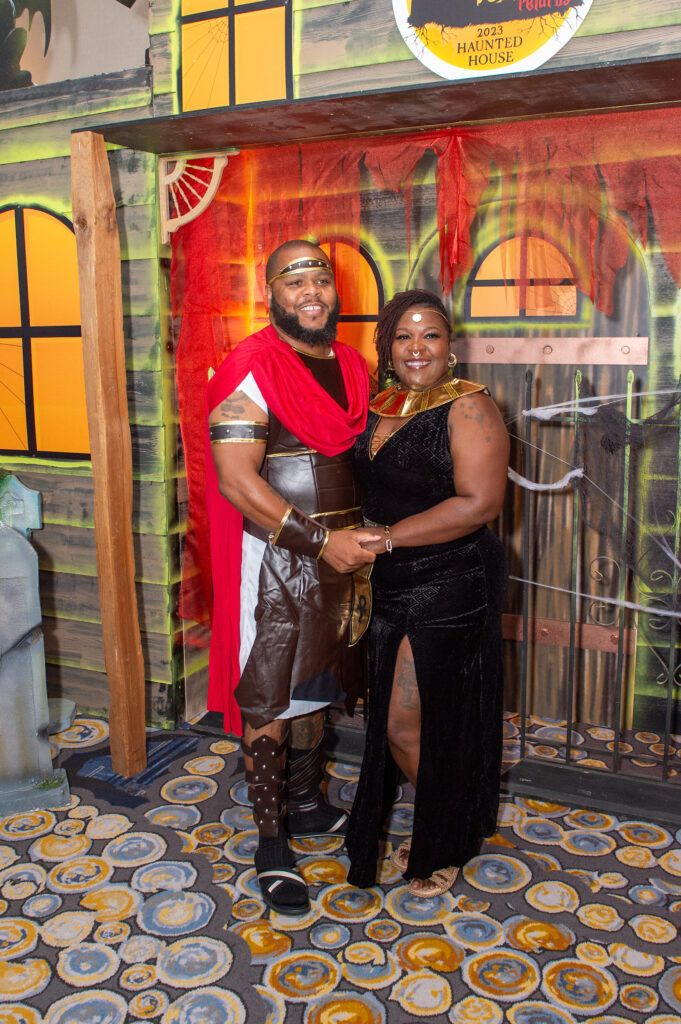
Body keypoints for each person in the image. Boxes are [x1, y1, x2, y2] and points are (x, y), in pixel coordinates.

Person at [205, 239, 380, 915]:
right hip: (276, 560)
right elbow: (237, 480)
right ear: (271, 293)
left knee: (321, 684)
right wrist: (320, 542)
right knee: (272, 696)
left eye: (321, 280)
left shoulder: (348, 364)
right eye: (294, 280)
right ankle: (271, 840)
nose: (312, 292)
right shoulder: (252, 366)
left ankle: (306, 805)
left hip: (341, 561)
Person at [345, 288, 509, 898]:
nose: (417, 347)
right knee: (405, 720)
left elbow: (479, 503)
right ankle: (454, 814)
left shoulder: (469, 408)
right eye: (404, 336)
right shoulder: (381, 405)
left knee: (406, 722)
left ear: (451, 346)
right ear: (386, 347)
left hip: (448, 580)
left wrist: (385, 539)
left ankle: (445, 833)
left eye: (431, 335)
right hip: (389, 580)